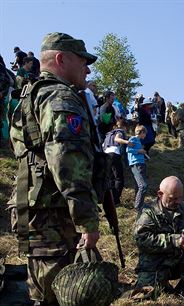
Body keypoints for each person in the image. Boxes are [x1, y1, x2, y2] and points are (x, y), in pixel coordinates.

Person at [8, 32, 100, 305]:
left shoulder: (31, 95)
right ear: (61, 59)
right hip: (54, 216)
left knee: (43, 294)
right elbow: (68, 164)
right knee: (60, 296)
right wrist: (87, 221)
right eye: (82, 60)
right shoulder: (61, 98)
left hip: (36, 208)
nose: (88, 68)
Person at [134, 176, 184, 295]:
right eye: (173, 198)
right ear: (160, 194)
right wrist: (174, 241)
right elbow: (141, 239)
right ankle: (163, 284)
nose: (178, 202)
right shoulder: (148, 212)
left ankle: (183, 289)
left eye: (180, 197)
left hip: (179, 261)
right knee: (149, 294)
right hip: (156, 264)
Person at [103, 118, 134, 206]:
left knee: (111, 178)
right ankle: (116, 200)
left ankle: (110, 199)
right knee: (119, 178)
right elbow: (117, 139)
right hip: (114, 154)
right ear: (124, 127)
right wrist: (127, 142)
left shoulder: (108, 134)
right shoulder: (119, 131)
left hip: (106, 155)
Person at [127, 125, 149, 213]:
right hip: (136, 164)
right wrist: (140, 151)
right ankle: (138, 206)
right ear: (142, 132)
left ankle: (140, 204)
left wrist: (143, 153)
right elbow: (128, 150)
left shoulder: (139, 141)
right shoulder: (133, 139)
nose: (145, 136)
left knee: (138, 185)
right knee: (143, 185)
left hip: (141, 163)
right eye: (145, 134)